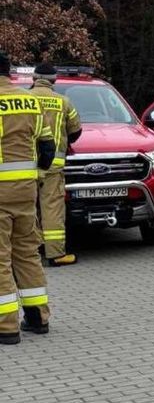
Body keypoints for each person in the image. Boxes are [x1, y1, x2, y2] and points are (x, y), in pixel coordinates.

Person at [0, 53, 56, 344]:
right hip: (25, 191)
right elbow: (48, 147)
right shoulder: (30, 100)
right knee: (27, 254)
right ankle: (38, 318)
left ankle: (6, 327)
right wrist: (37, 175)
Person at [30, 63, 83, 266]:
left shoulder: (25, 99)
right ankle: (56, 254)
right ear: (54, 81)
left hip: (25, 165)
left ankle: (29, 253)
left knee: (27, 208)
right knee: (52, 208)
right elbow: (76, 131)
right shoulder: (63, 102)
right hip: (53, 166)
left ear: (33, 79)